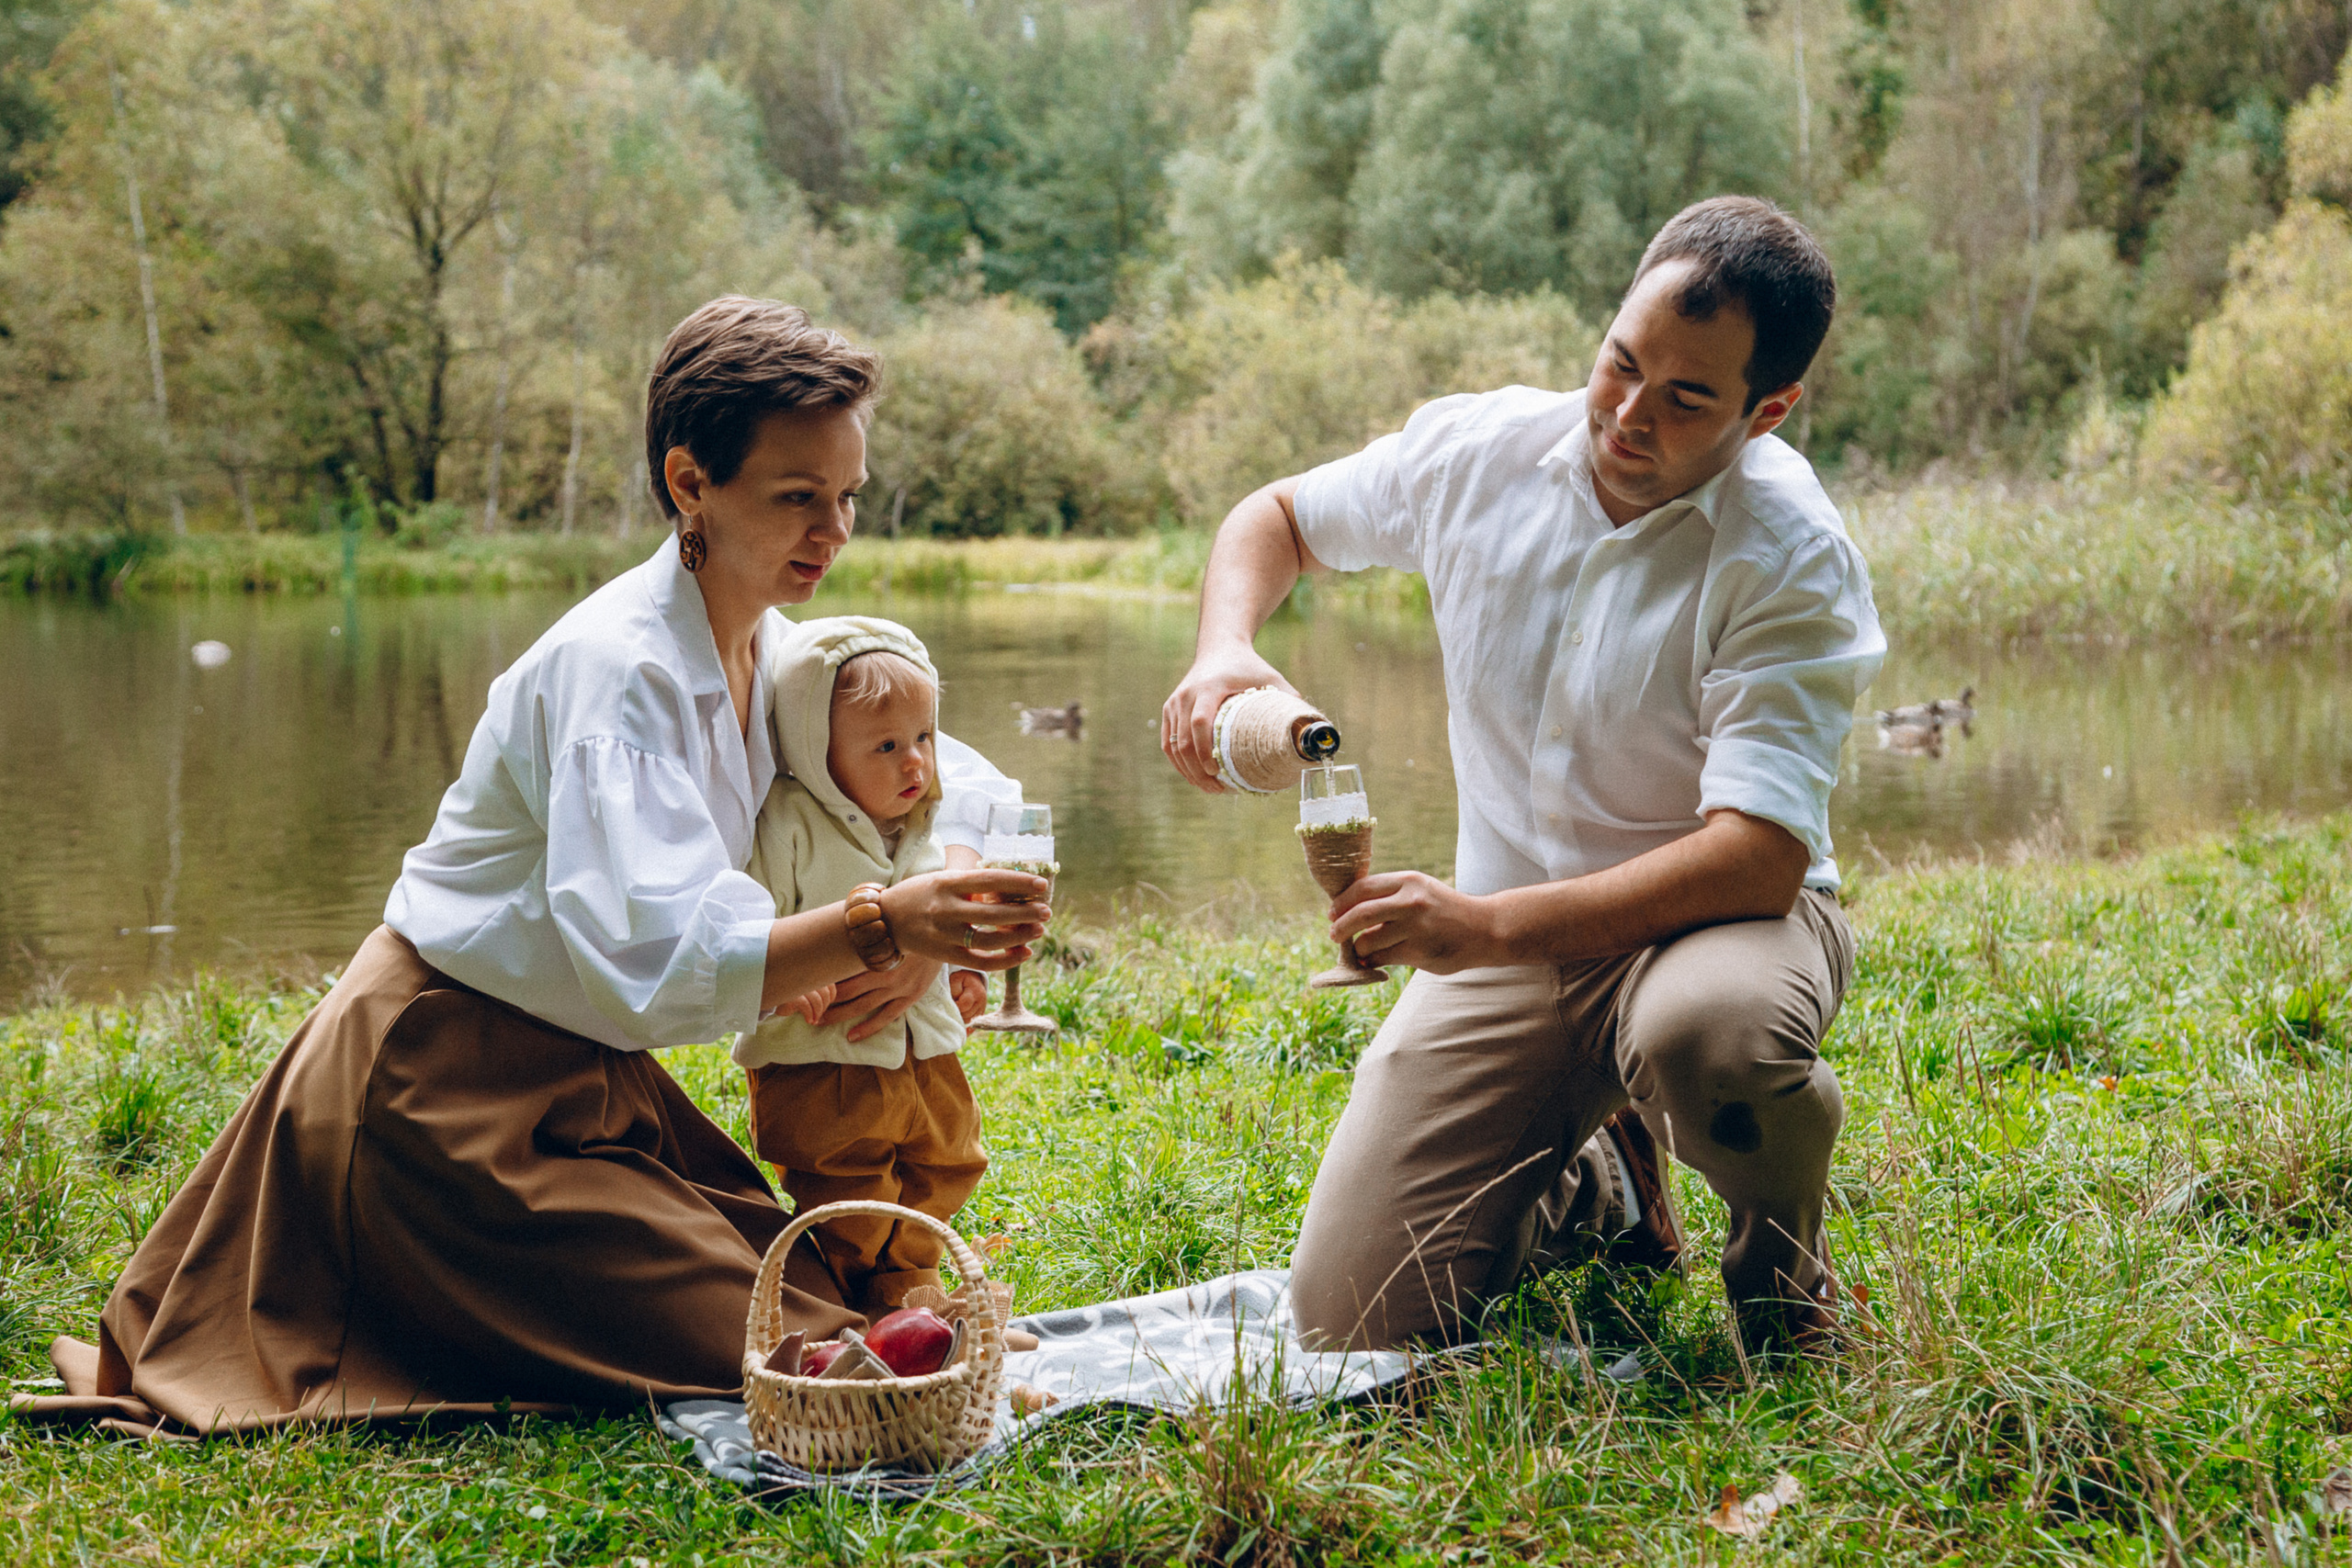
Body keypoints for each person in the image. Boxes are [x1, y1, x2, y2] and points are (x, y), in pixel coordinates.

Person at [16, 298, 1046, 1437]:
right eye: (796, 497)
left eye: (847, 495)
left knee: (802, 1290)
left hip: (594, 1084)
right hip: (433, 1089)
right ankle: (388, 1270)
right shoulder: (621, 671)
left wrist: (932, 919)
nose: (834, 530)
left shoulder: (788, 654)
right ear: (689, 481)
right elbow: (658, 964)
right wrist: (887, 925)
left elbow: (975, 786)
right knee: (788, 1348)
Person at [1160, 197, 1885, 1357]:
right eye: (1620, 363)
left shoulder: (1791, 553)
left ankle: (1782, 1289)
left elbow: (1757, 857)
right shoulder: (1476, 452)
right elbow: (1279, 515)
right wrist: (1225, 648)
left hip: (1719, 930)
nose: (1628, 415)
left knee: (1712, 1039)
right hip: (1510, 950)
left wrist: (1486, 925)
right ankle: (1604, 1184)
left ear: (1768, 412)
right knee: (1352, 1328)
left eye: (1687, 398)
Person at [734, 616, 990, 1313]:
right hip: (827, 1060)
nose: (915, 762)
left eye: (924, 739)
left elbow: (946, 912)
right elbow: (748, 919)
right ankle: (861, 1296)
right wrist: (786, 982)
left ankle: (912, 1283)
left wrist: (961, 967)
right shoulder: (787, 821)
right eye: (886, 745)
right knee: (849, 1184)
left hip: (924, 1050)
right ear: (819, 751)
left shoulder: (923, 821)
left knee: (947, 1157)